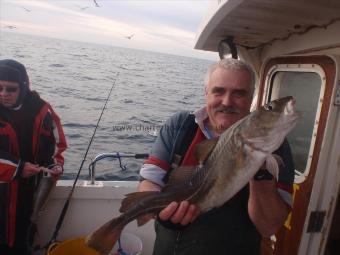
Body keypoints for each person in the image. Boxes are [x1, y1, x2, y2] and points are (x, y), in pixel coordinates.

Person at [138, 58, 294, 255]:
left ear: (252, 98)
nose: (227, 102)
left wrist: (260, 171)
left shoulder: (276, 145)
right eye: (218, 91)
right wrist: (159, 210)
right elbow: (149, 180)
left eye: (239, 93)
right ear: (206, 93)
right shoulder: (180, 126)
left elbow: (268, 227)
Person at [0, 59, 67, 255]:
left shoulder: (43, 110)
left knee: (23, 242)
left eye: (10, 89)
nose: (4, 94)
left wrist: (55, 165)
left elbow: (59, 145)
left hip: (29, 198)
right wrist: (19, 168)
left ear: (24, 87)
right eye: (0, 88)